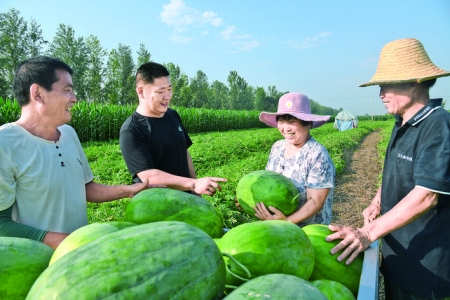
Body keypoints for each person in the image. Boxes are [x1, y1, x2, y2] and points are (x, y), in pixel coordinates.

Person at [326, 38, 450, 299]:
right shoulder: (402, 122)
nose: (380, 93)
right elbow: (399, 170)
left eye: (387, 84)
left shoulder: (438, 126)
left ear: (415, 81)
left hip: (426, 268)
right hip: (398, 255)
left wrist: (367, 232)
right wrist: (378, 199)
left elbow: (427, 195)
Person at [0, 56, 153, 249]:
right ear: (37, 93)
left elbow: (84, 188)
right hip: (36, 263)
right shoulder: (5, 143)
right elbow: (1, 225)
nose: (74, 98)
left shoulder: (68, 133)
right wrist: (65, 242)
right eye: (67, 91)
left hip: (77, 257)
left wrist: (127, 190)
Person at [119, 62, 226, 196]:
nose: (167, 96)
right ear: (141, 91)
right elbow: (149, 176)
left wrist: (194, 190)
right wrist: (193, 184)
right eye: (160, 91)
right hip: (158, 204)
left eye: (169, 89)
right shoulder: (132, 130)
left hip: (186, 198)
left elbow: (184, 152)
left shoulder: (172, 115)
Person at [252, 92, 336, 227]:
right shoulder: (277, 147)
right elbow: (268, 184)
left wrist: (286, 222)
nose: (286, 128)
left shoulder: (317, 154)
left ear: (307, 123)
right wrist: (250, 201)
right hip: (276, 226)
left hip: (307, 231)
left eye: (291, 122)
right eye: (281, 122)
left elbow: (315, 201)